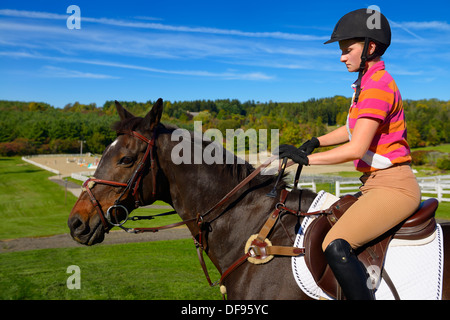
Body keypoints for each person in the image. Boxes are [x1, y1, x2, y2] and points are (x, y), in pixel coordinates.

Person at [277, 8, 421, 300]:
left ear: (369, 48)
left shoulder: (379, 86)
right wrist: (316, 141)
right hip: (374, 184)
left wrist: (306, 160)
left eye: (347, 50)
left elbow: (356, 148)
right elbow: (351, 130)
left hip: (394, 187)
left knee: (335, 243)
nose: (342, 57)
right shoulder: (365, 85)